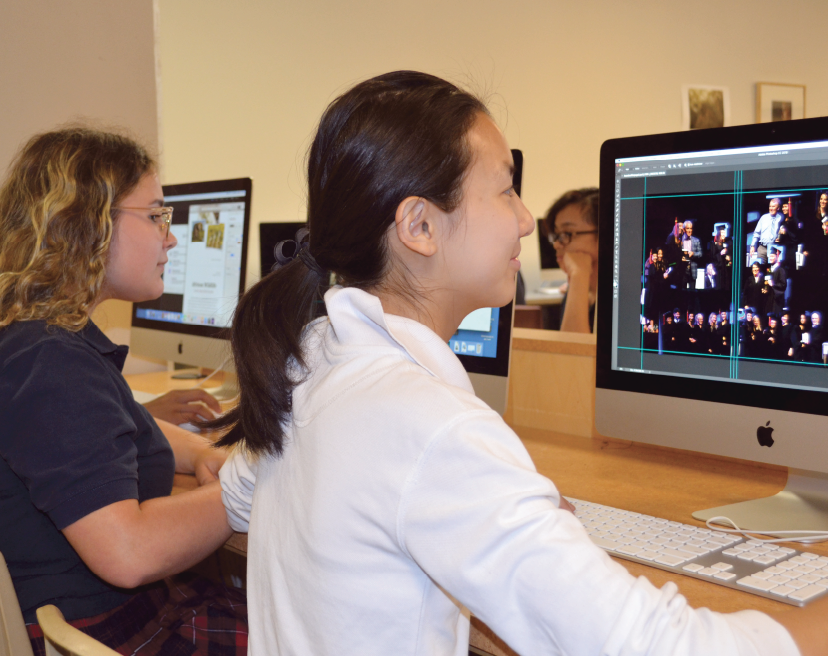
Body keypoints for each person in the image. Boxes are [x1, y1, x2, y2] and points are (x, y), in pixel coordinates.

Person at [208, 70, 823, 656]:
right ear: (419, 226)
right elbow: (662, 647)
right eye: (506, 190)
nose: (527, 219)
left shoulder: (313, 356)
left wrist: (508, 514)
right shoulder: (432, 428)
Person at [0, 125, 244, 655]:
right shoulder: (47, 359)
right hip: (81, 635)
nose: (171, 236)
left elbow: (109, 428)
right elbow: (128, 552)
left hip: (22, 626)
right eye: (156, 215)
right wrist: (244, 489)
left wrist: (204, 450)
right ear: (86, 226)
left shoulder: (16, 335)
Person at [540, 187, 601, 333]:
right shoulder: (576, 289)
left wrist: (579, 274)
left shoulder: (625, 297)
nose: (556, 244)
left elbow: (578, 353)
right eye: (557, 234)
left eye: (567, 233)